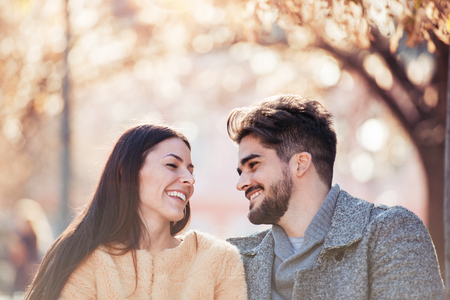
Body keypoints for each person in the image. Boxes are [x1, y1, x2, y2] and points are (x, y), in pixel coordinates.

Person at [226, 94, 444, 300]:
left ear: (300, 164)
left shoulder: (390, 234)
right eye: (240, 172)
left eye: (253, 165)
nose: (240, 183)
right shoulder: (233, 261)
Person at [24, 124, 247, 300]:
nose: (189, 179)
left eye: (190, 170)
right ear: (126, 172)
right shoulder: (87, 261)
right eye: (172, 165)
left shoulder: (218, 259)